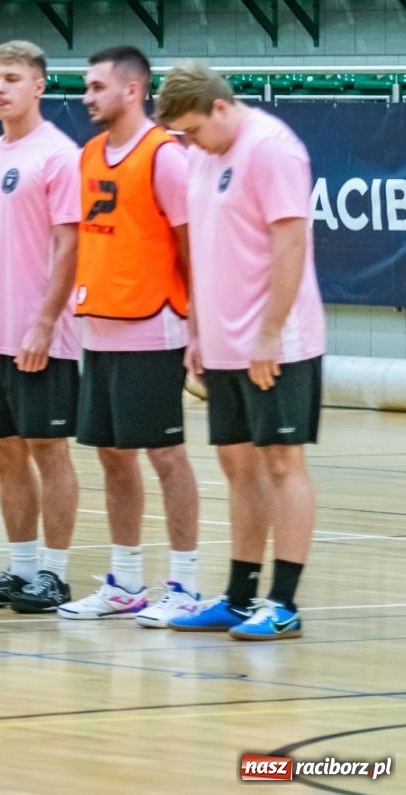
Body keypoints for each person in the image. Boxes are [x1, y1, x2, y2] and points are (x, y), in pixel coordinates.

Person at [156, 62, 322, 641]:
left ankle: (284, 603)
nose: (188, 143)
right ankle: (238, 597)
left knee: (282, 462)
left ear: (221, 108)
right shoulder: (202, 156)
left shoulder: (271, 149)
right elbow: (204, 250)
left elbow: (291, 242)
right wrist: (199, 328)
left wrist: (271, 332)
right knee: (237, 465)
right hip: (222, 342)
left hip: (277, 343)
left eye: (192, 130)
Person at [58, 47, 203, 626]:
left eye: (97, 87)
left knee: (166, 455)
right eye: (87, 86)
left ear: (133, 89)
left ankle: (186, 585)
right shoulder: (90, 154)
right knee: (113, 458)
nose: (87, 96)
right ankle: (125, 582)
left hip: (154, 326)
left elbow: (193, 247)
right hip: (100, 328)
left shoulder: (164, 156)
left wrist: (199, 326)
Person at [0, 40, 82, 613]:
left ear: (39, 86)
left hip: (39, 334)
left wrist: (45, 323)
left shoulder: (59, 155)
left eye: (11, 78)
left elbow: (70, 243)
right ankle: (21, 569)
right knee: (5, 450)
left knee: (48, 448)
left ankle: (55, 573)